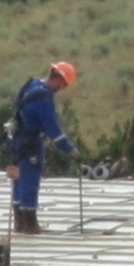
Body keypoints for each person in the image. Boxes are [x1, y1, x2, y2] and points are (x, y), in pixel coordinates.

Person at [9, 61, 82, 234]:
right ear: (57, 78)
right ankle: (30, 225)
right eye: (63, 85)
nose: (62, 88)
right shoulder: (44, 99)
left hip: (16, 139)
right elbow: (54, 131)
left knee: (18, 180)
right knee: (30, 181)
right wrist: (71, 150)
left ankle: (19, 222)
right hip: (31, 144)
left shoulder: (31, 84)